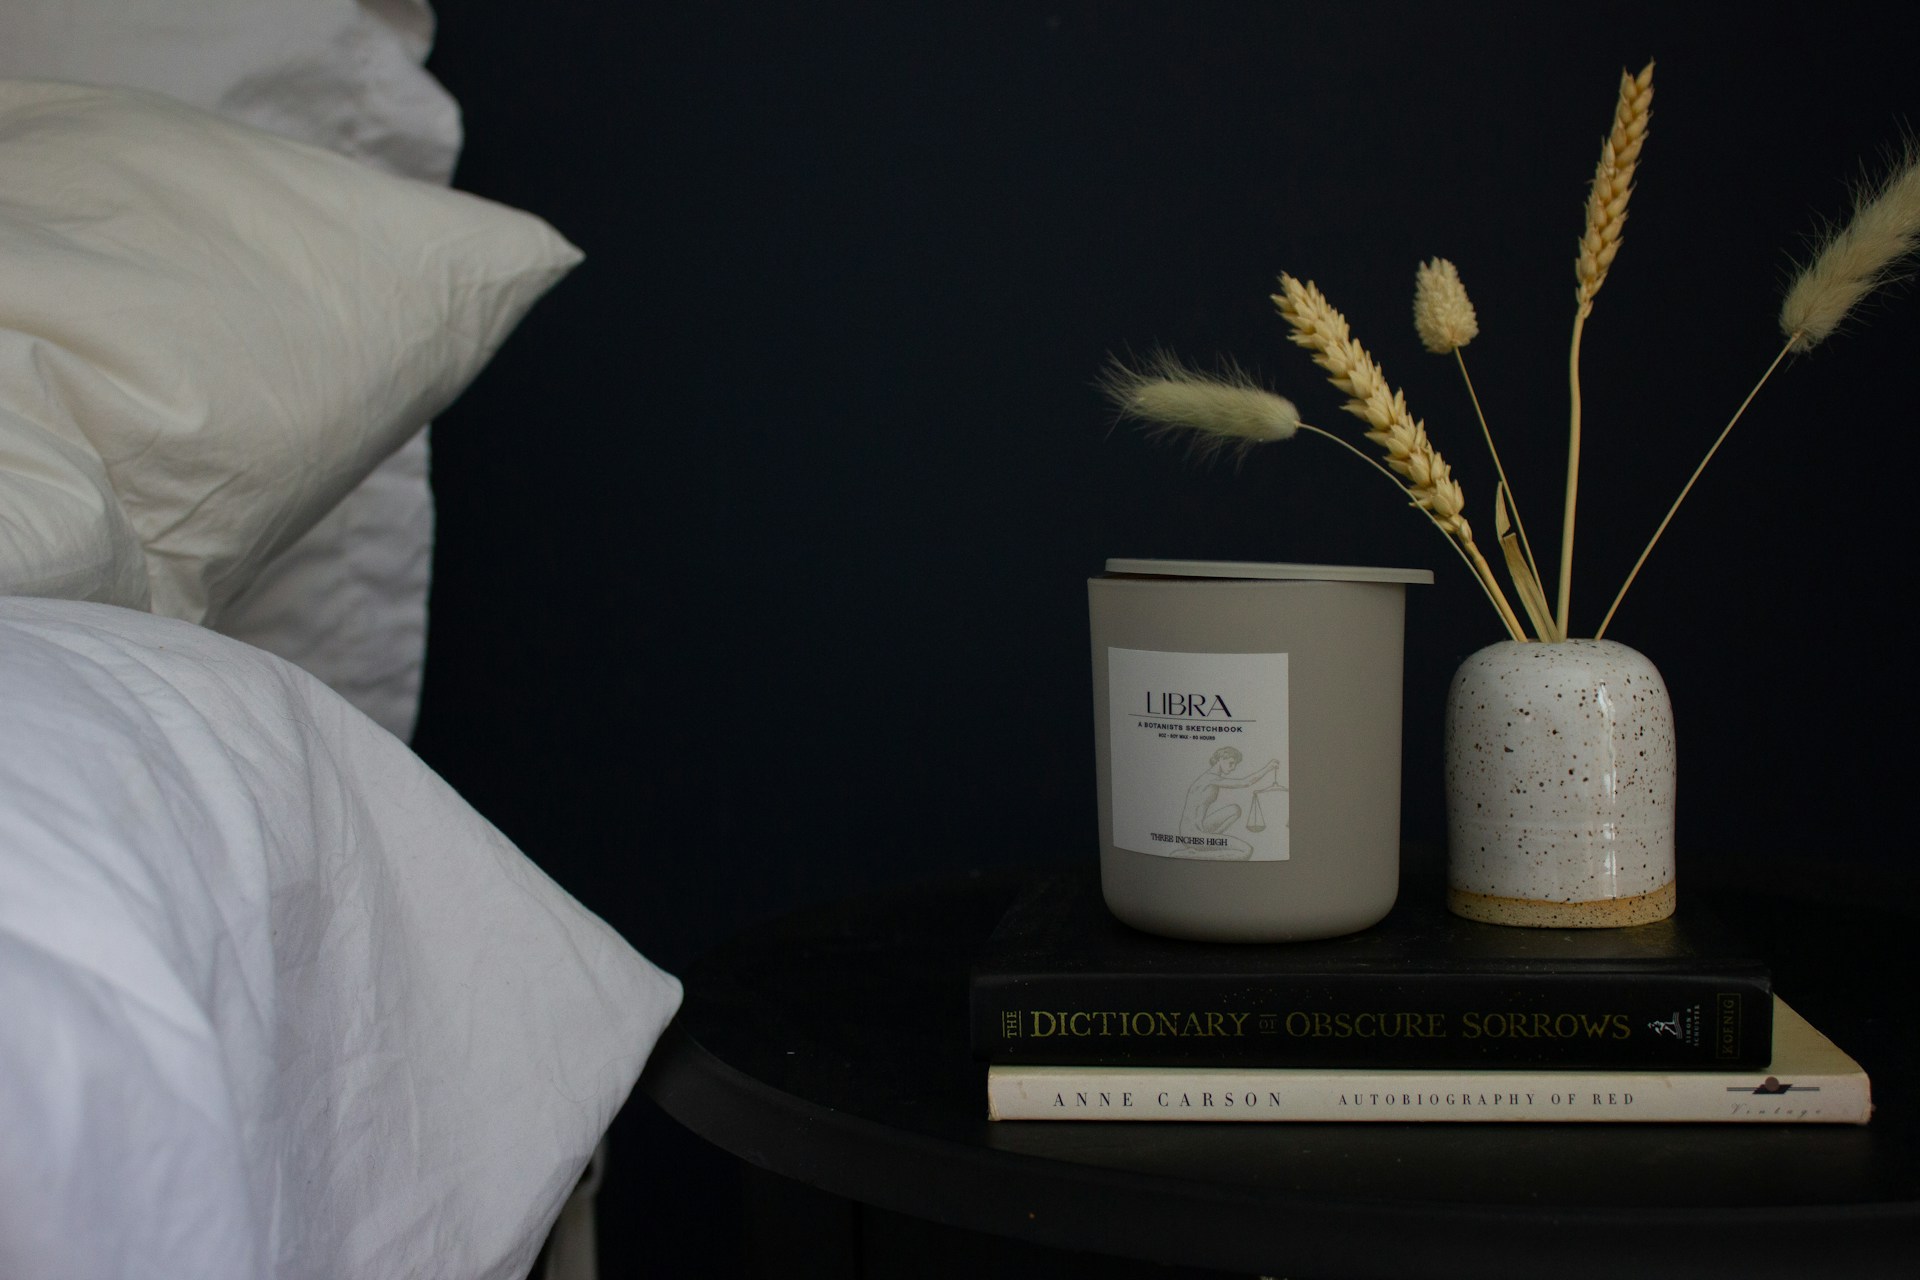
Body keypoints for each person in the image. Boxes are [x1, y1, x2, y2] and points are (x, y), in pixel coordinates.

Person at [1175, 746, 1282, 860]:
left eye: (1235, 764)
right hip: (1192, 834)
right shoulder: (1210, 778)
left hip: (1199, 828)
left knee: (1235, 810)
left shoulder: (1211, 777)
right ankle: (1194, 854)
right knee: (1246, 850)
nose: (1233, 767)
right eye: (1231, 763)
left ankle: (1208, 847)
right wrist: (1268, 768)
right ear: (1221, 759)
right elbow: (1244, 783)